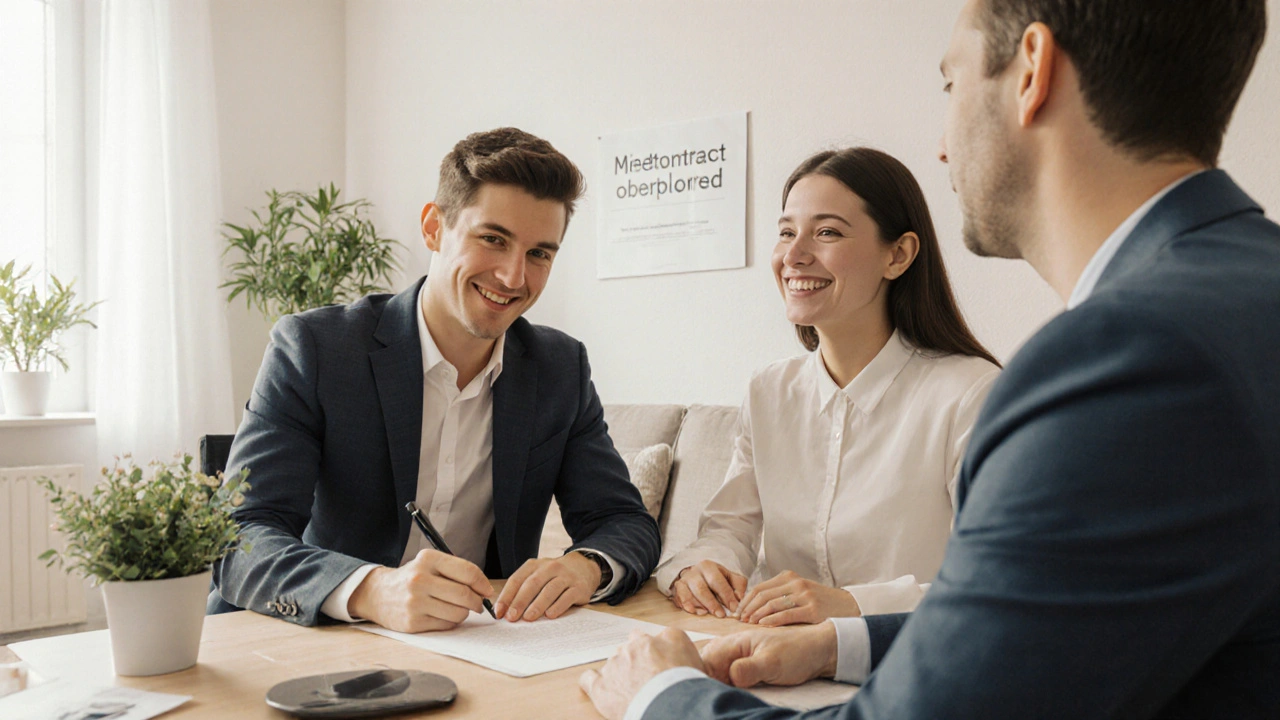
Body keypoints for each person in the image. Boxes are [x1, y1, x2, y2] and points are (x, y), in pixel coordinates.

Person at [581, 0, 1280, 717]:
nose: (942, 145)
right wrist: (835, 643)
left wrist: (662, 696)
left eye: (951, 85)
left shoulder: (1128, 360)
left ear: (1031, 71)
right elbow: (1049, 631)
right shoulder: (1240, 295)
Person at [209, 128, 661, 632]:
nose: (514, 277)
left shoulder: (559, 368)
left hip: (484, 646)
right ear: (433, 228)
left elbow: (624, 521)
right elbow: (239, 537)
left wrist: (586, 566)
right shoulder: (316, 349)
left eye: (539, 254)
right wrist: (371, 590)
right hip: (318, 639)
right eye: (493, 239)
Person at [657, 147, 1000, 626]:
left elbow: (997, 580)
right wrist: (699, 567)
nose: (793, 256)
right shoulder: (769, 390)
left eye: (827, 233)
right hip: (769, 650)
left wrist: (854, 606)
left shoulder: (971, 395)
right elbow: (730, 529)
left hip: (902, 664)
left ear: (897, 255)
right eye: (785, 233)